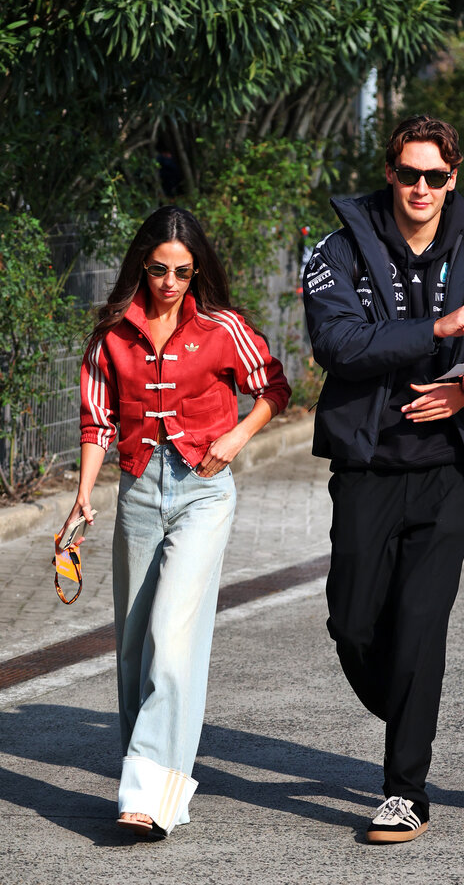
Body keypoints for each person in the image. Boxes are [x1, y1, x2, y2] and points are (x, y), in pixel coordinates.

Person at [302, 114, 464, 843]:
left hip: (446, 470)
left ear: (452, 177)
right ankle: (404, 699)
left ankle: (404, 791)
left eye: (435, 176)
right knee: (352, 623)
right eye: (408, 174)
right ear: (389, 172)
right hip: (366, 461)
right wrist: (435, 328)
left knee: (421, 626)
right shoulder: (336, 248)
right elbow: (338, 343)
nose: (421, 187)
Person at [60, 206, 291, 837]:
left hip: (203, 492)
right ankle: (159, 787)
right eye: (159, 269)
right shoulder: (113, 334)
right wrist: (82, 497)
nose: (169, 282)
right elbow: (96, 421)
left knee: (172, 634)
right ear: (143, 265)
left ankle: (145, 794)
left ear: (196, 271)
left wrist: (237, 437)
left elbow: (274, 388)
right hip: (137, 490)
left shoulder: (221, 328)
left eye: (182, 272)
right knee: (133, 645)